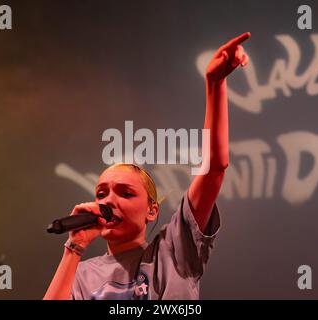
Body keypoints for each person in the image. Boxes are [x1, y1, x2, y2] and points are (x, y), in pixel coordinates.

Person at [44, 32, 251, 300]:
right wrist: (73, 248)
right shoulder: (81, 275)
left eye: (125, 193)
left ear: (152, 211)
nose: (109, 201)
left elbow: (214, 168)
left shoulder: (173, 250)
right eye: (101, 193)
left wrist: (215, 83)